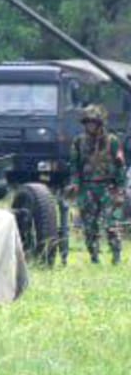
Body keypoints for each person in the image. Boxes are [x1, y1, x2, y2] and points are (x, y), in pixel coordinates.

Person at [67, 104, 125, 264]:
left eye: (93, 122)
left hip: (108, 188)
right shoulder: (79, 141)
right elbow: (74, 165)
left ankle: (116, 256)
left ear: (100, 123)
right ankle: (94, 257)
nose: (90, 126)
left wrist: (120, 190)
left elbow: (120, 166)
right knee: (89, 225)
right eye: (87, 122)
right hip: (87, 188)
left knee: (112, 223)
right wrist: (75, 184)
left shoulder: (112, 141)